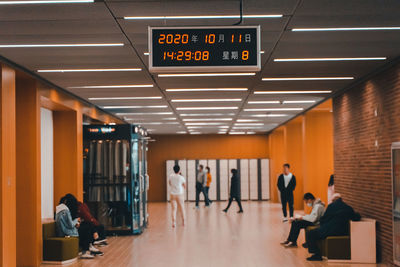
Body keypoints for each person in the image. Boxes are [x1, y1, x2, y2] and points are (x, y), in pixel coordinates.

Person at [305, 193, 361, 261]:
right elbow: (356, 217)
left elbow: (323, 220)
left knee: (311, 233)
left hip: (331, 230)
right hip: (343, 231)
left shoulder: (331, 206)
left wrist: (323, 226)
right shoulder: (348, 207)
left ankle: (316, 255)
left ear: (333, 200)